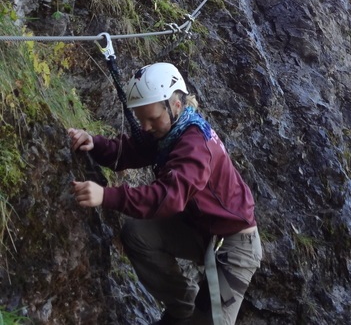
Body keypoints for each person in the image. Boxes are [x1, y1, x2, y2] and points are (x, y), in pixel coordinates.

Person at [69, 62, 261, 325]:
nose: (146, 127)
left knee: (207, 323)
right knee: (138, 234)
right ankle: (182, 306)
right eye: (140, 119)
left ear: (176, 105)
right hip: (199, 228)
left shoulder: (195, 145)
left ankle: (192, 315)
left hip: (234, 243)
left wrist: (107, 196)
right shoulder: (171, 130)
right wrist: (95, 144)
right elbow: (133, 150)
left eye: (152, 119)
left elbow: (167, 198)